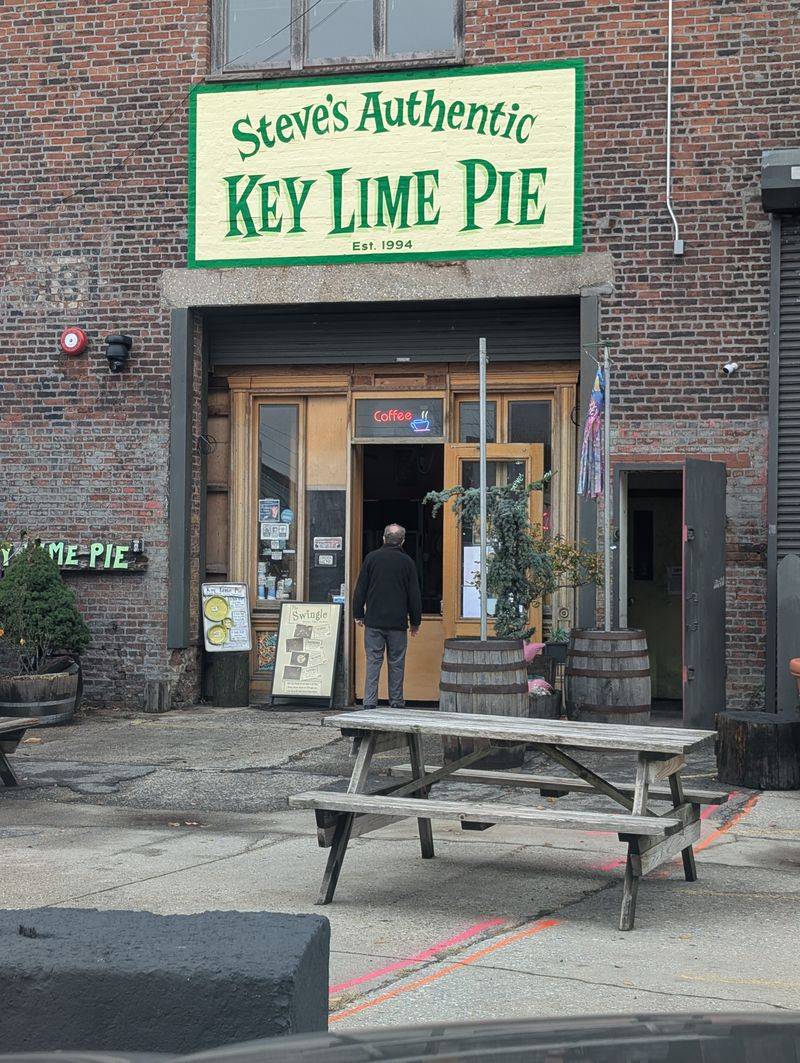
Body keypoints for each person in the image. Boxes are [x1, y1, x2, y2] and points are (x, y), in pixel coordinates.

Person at [353, 523, 422, 709]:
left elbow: (360, 589)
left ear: (383, 539)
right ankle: (397, 702)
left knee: (373, 662)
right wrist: (415, 621)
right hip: (397, 623)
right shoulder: (408, 562)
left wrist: (358, 614)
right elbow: (414, 595)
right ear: (403, 541)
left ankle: (369, 702)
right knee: (397, 663)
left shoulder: (371, 558)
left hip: (374, 621)